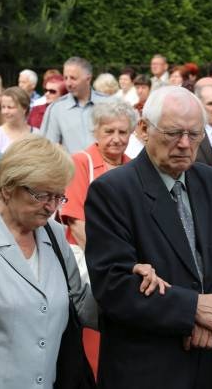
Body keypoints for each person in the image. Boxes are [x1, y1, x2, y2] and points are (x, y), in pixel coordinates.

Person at [0, 135, 166, 388]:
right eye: (42, 195)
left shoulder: (53, 233)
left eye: (58, 197)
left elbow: (80, 304)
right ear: (8, 187)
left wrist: (125, 280)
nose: (51, 207)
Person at [85, 86, 212, 388]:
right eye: (173, 133)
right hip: (151, 368)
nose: (185, 145)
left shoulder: (210, 180)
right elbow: (113, 285)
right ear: (144, 129)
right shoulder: (113, 191)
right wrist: (192, 309)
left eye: (194, 134)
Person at [60, 98, 137, 375]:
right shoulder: (82, 162)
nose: (116, 139)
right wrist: (105, 266)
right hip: (92, 264)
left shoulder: (135, 166)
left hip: (128, 264)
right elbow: (76, 223)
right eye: (109, 131)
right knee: (94, 328)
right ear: (96, 132)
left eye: (123, 132)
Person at [40, 57, 105, 153]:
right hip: (71, 167)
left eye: (73, 78)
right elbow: (46, 147)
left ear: (88, 79)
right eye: (65, 78)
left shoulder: (109, 104)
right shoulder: (56, 109)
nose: (68, 83)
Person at [0, 86, 37, 153]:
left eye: (10, 107)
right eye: (3, 107)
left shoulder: (37, 134)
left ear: (24, 109)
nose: (5, 111)